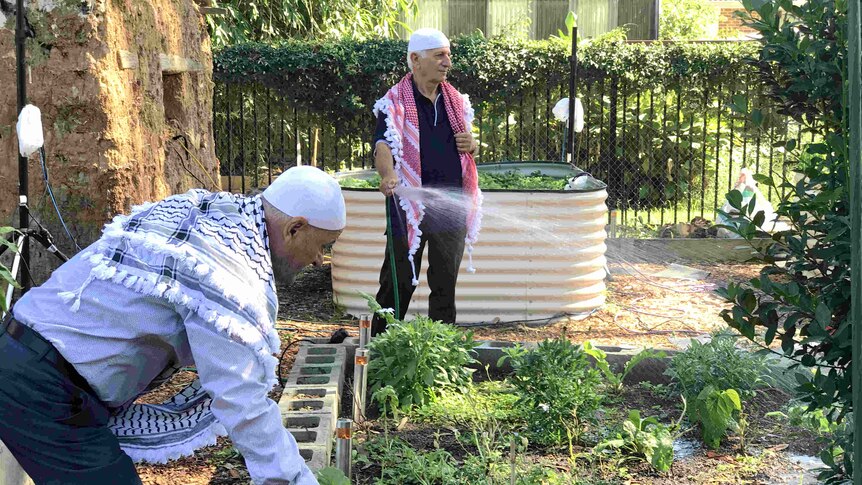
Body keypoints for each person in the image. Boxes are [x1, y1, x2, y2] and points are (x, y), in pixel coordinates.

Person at [0, 165, 346, 485]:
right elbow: (242, 400)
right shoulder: (226, 269)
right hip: (42, 386)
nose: (319, 259)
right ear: (294, 228)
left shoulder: (215, 216)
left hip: (32, 361)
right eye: (322, 246)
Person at [370, 28, 483, 336]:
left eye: (448, 55)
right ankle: (379, 347)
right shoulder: (393, 102)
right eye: (439, 56)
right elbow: (383, 145)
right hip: (408, 204)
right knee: (397, 285)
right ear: (416, 60)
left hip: (450, 207)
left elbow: (469, 149)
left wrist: (472, 145)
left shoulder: (456, 102)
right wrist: (388, 175)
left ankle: (439, 351)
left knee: (445, 286)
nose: (447, 63)